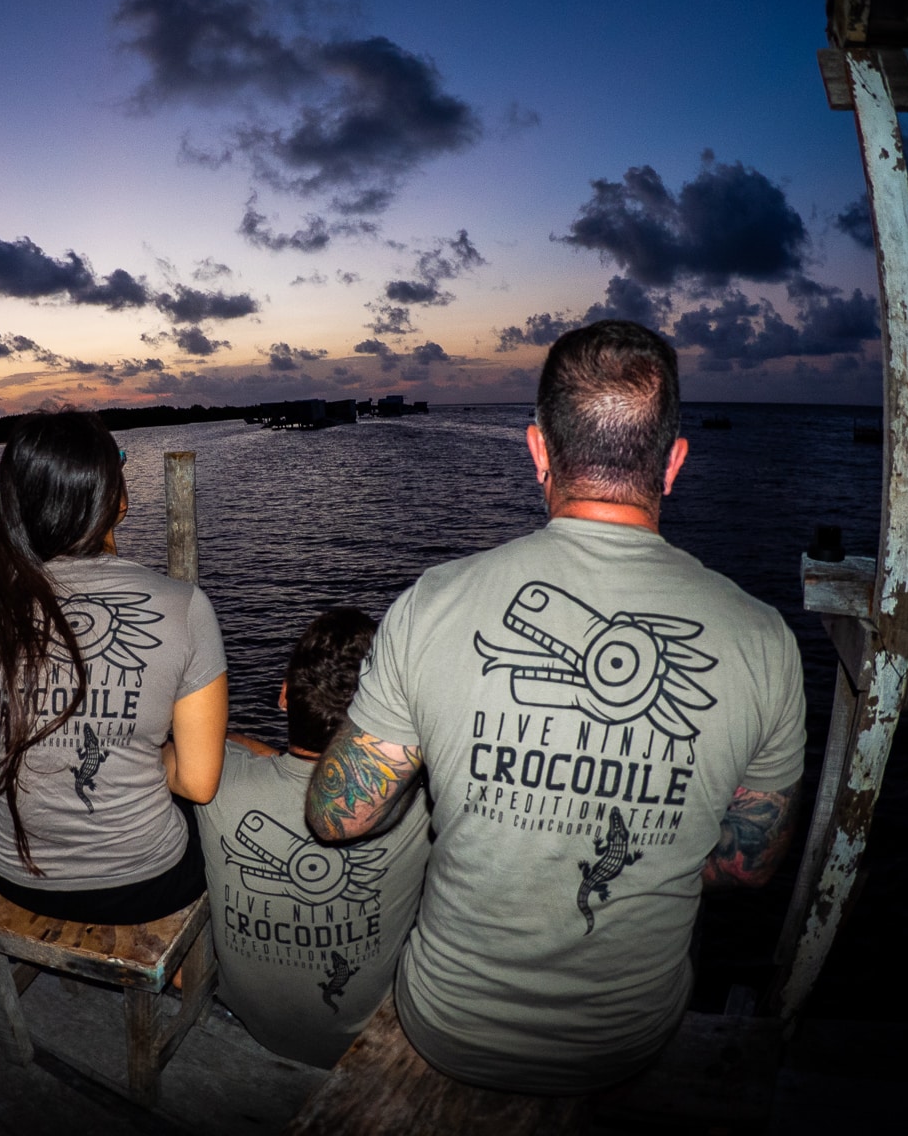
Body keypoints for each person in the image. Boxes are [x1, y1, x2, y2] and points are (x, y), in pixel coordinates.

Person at [304, 320, 804, 1094]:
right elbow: (747, 864)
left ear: (538, 449)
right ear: (673, 463)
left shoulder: (432, 602)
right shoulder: (766, 640)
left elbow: (339, 818)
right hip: (626, 1040)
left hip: (450, 1025)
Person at [0, 410, 228, 924]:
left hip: (14, 873)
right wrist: (139, 748)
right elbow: (199, 784)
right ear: (115, 498)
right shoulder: (183, 605)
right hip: (144, 884)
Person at [197, 607, 432, 1068]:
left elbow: (174, 753)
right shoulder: (423, 802)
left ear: (285, 698)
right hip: (364, 1036)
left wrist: (254, 752)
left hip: (252, 1021)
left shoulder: (217, 784)